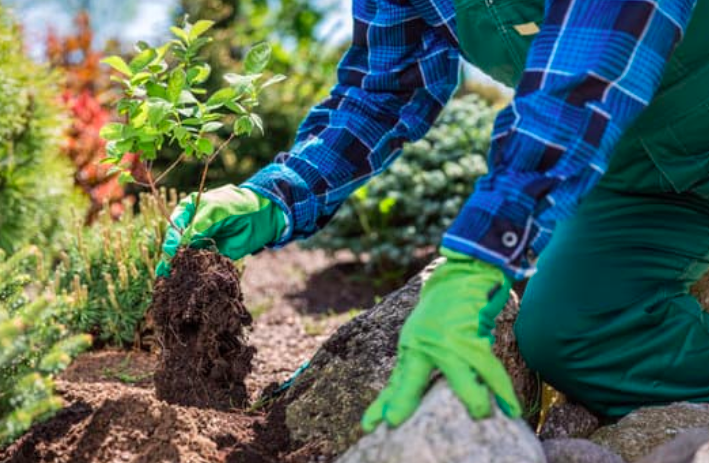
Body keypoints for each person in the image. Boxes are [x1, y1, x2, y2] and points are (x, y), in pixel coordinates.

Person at [158, 0, 708, 431]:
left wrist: (482, 255)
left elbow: (589, 66)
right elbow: (385, 88)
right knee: (567, 333)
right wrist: (278, 196)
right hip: (641, 183)